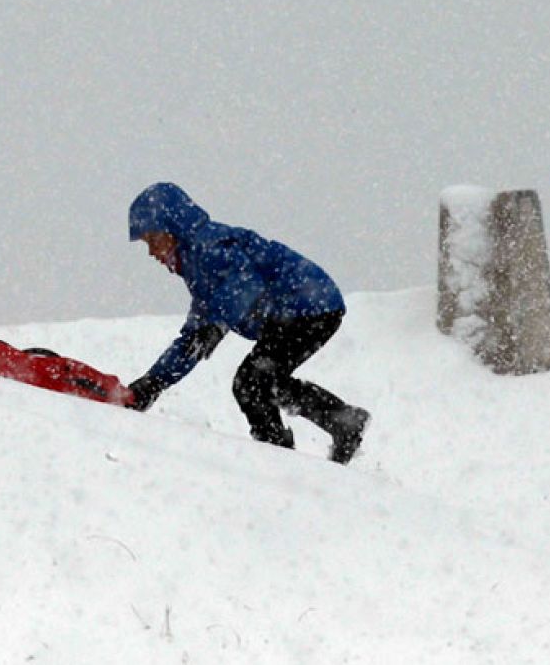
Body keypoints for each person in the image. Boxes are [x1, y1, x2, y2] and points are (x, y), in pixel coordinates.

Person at [124, 182, 371, 464]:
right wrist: (152, 383)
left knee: (252, 383)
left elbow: (245, 282)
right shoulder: (197, 268)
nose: (152, 252)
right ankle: (341, 421)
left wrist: (216, 325)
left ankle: (283, 455)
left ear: (173, 229)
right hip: (308, 309)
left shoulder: (208, 246)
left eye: (152, 239)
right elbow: (194, 336)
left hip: (308, 307)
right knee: (259, 381)